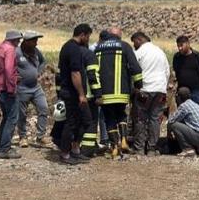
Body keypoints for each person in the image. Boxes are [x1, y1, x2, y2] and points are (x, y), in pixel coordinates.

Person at [93, 27, 143, 158]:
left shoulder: (98, 48)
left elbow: (94, 71)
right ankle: (124, 141)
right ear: (118, 36)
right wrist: (138, 84)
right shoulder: (124, 46)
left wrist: (96, 92)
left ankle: (114, 147)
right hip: (122, 92)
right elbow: (135, 67)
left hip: (105, 93)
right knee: (121, 115)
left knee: (109, 118)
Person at [56, 23, 97, 165]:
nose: (88, 40)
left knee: (85, 121)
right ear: (83, 35)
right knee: (72, 123)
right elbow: (75, 73)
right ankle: (65, 154)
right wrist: (81, 94)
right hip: (72, 93)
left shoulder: (68, 47)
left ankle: (75, 150)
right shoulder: (73, 49)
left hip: (72, 92)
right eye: (88, 36)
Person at [131, 31, 169, 155]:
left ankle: (139, 148)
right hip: (160, 91)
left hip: (145, 90)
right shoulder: (160, 52)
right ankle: (152, 148)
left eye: (134, 42)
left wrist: (134, 88)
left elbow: (133, 69)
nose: (133, 45)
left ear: (139, 40)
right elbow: (167, 72)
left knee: (140, 119)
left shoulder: (139, 52)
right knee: (155, 119)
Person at [0, 29, 22, 159]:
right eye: (18, 40)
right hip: (7, 88)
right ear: (13, 39)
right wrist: (12, 87)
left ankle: (1, 143)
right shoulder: (10, 49)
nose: (19, 43)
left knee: (6, 116)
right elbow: (8, 69)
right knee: (12, 117)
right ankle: (5, 149)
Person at [16, 30, 49, 147]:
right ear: (27, 41)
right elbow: (9, 66)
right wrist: (14, 76)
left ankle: (40, 136)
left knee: (43, 108)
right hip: (22, 88)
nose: (36, 43)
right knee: (22, 114)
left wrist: (38, 72)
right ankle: (23, 137)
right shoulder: (17, 52)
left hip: (36, 87)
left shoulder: (35, 51)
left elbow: (43, 61)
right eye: (34, 41)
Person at [172, 35, 199, 105]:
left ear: (188, 44)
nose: (180, 48)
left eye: (181, 45)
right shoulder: (177, 57)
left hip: (196, 90)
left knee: (196, 109)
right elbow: (175, 70)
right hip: (182, 90)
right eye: (178, 46)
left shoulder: (198, 57)